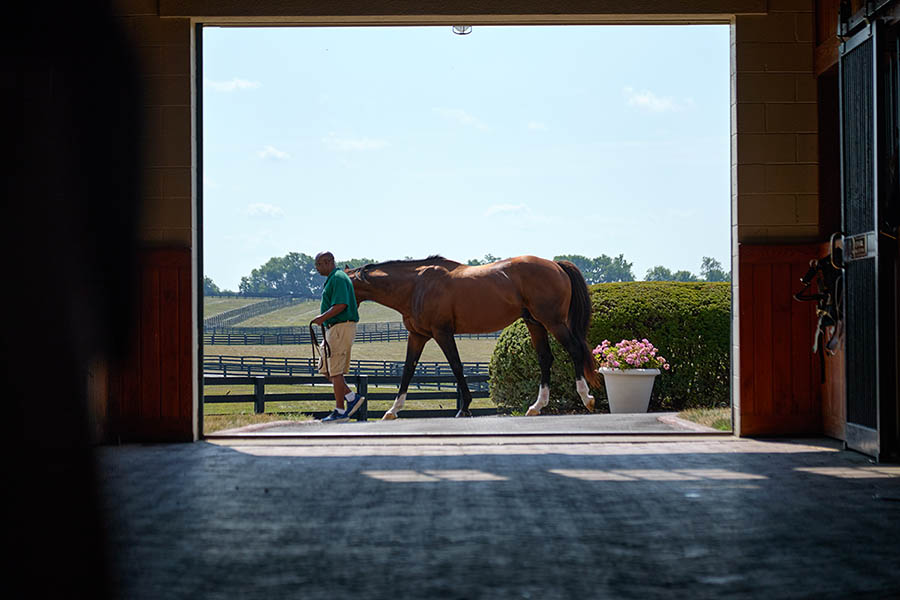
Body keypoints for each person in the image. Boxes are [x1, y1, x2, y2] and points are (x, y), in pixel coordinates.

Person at [311, 251, 365, 421]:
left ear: (328, 262)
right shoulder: (334, 278)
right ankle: (351, 398)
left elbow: (341, 304)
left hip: (340, 327)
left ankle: (340, 411)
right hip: (333, 328)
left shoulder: (338, 278)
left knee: (335, 370)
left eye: (318, 264)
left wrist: (322, 318)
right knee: (326, 368)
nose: (317, 268)